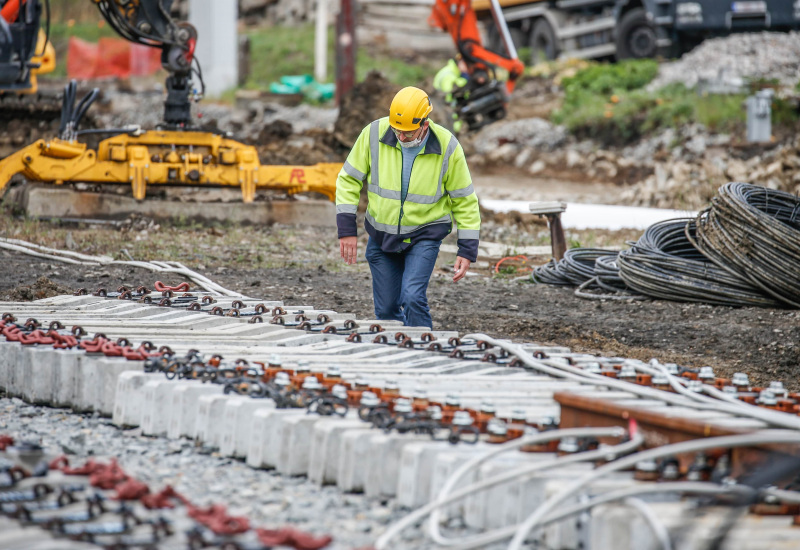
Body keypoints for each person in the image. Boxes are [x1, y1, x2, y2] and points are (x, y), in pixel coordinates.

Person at [335, 86, 481, 329]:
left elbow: (464, 200)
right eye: (397, 130)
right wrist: (347, 229)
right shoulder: (373, 133)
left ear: (424, 124)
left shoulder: (447, 147)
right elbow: (348, 179)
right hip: (381, 237)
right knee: (386, 310)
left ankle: (425, 348)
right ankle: (398, 353)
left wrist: (466, 249)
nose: (401, 137)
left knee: (412, 297)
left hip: (424, 234)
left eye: (408, 133)